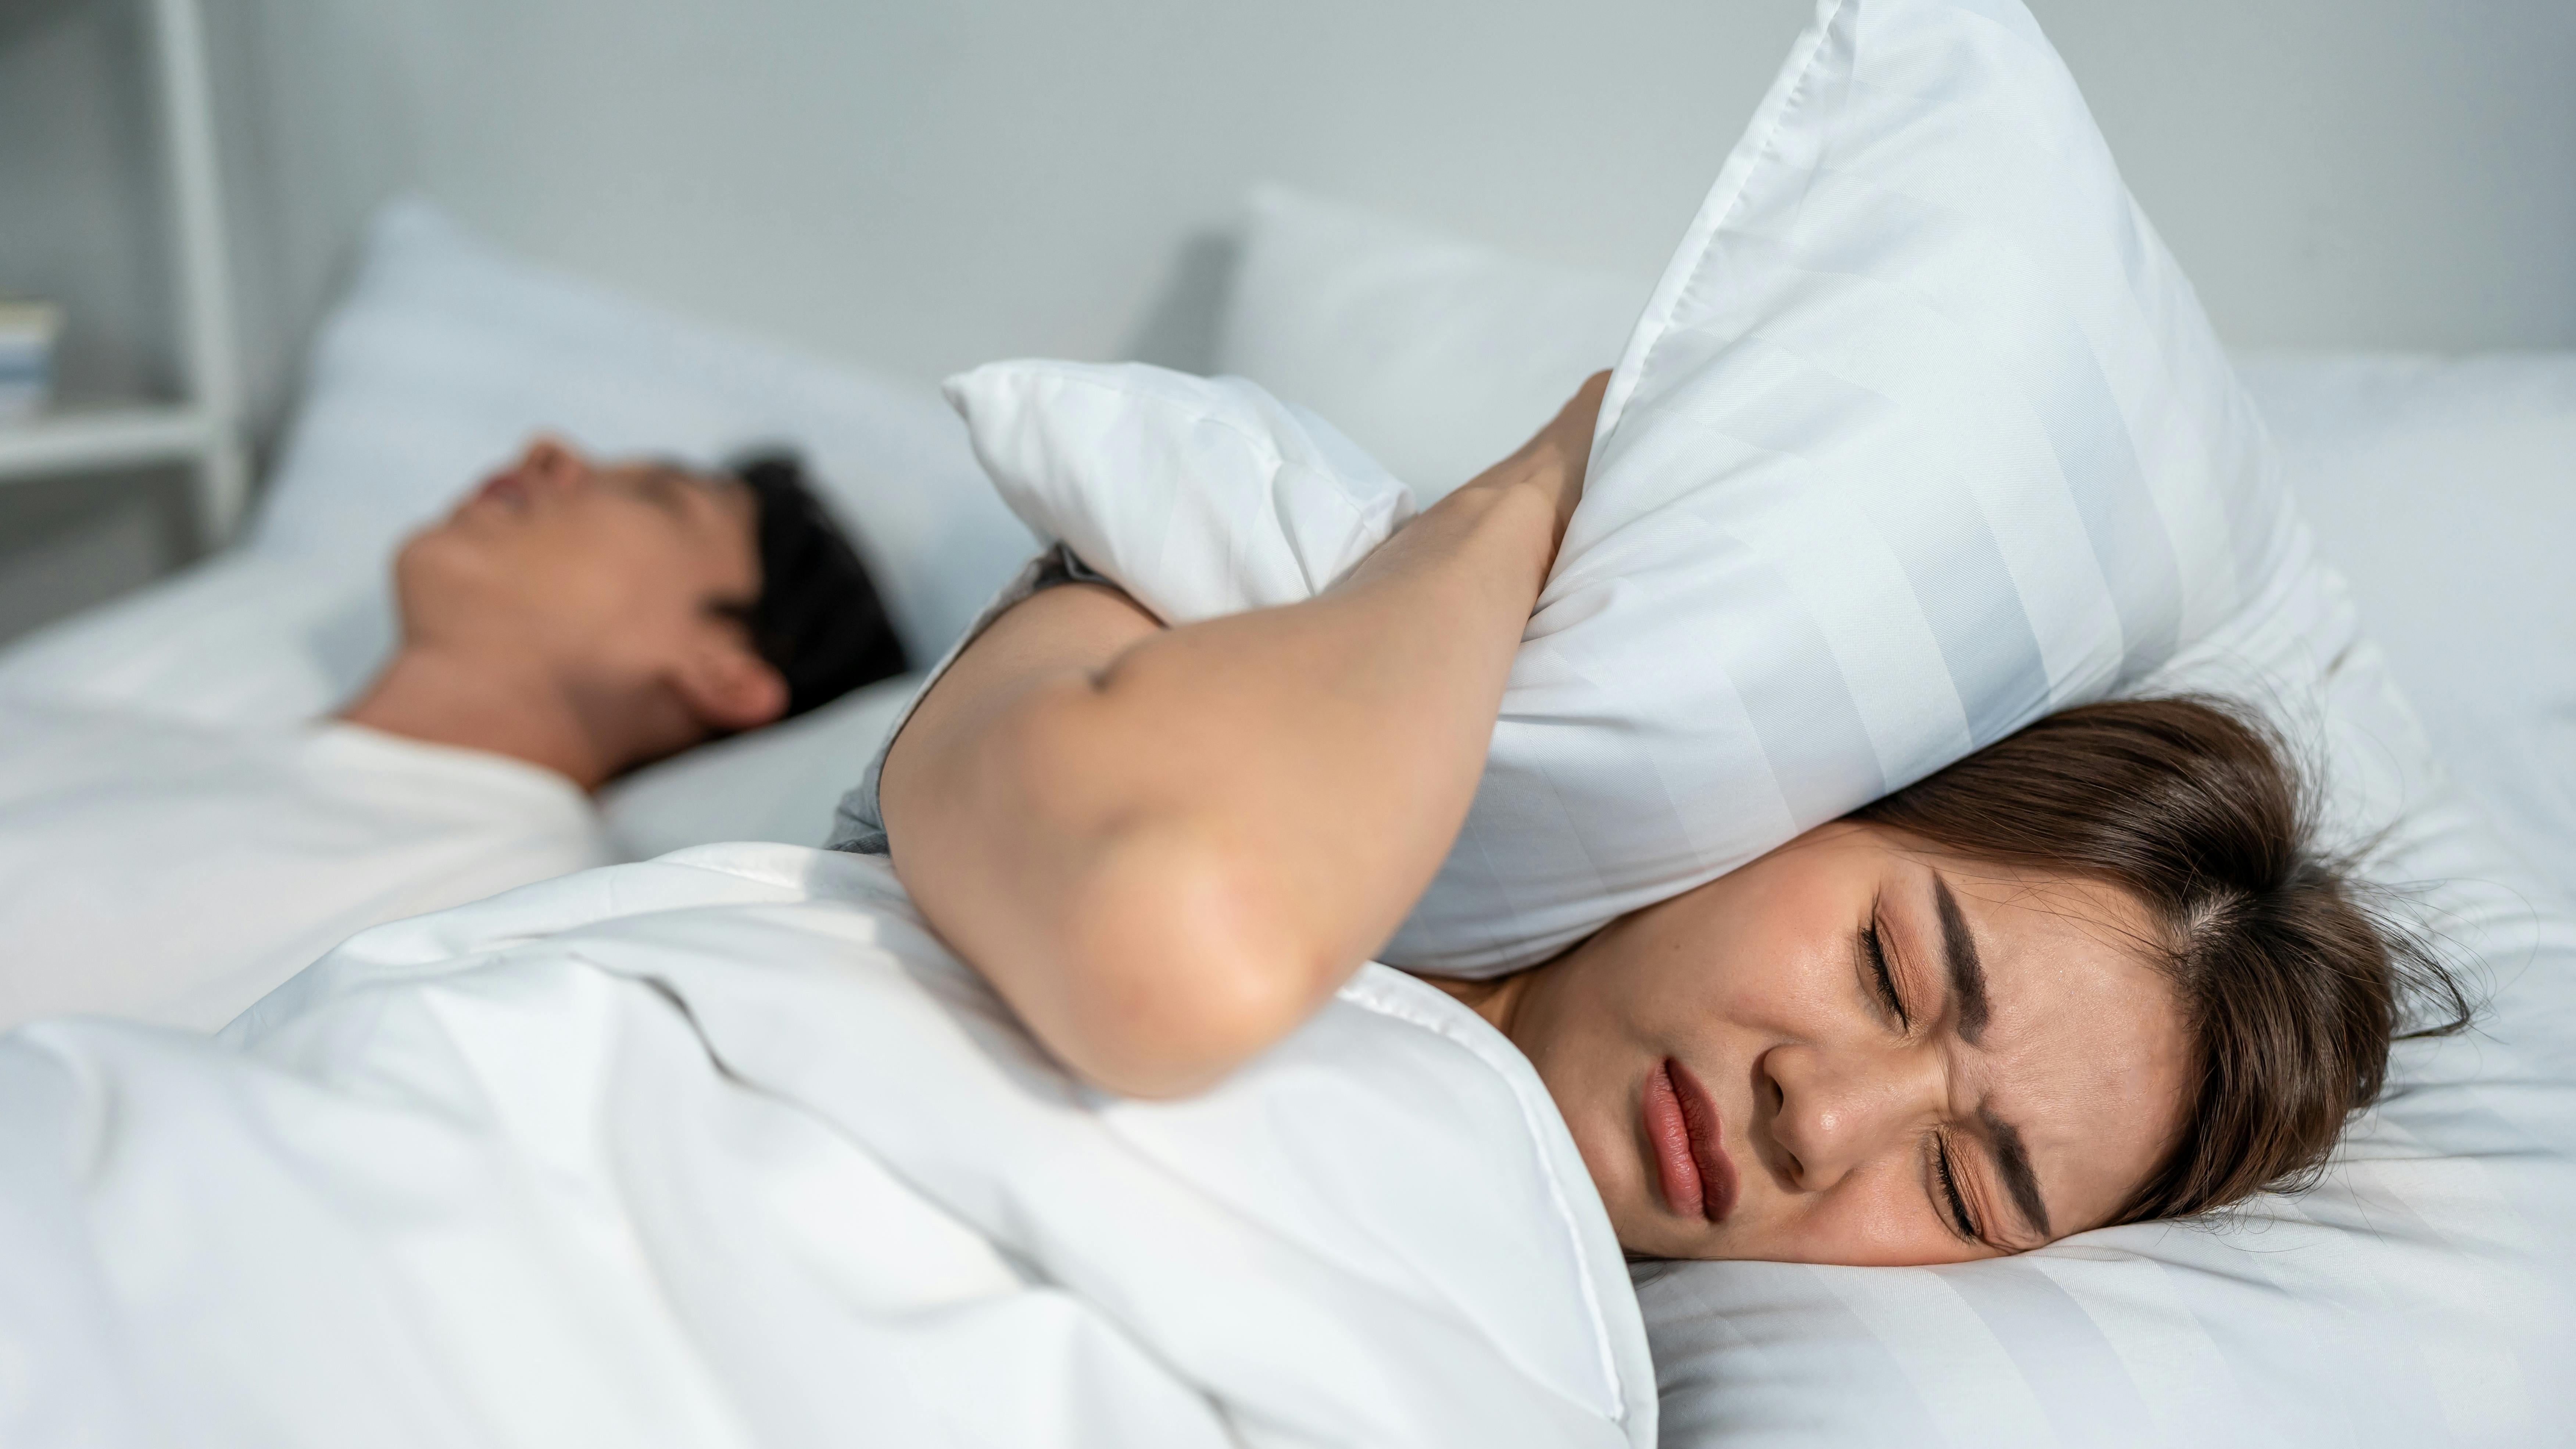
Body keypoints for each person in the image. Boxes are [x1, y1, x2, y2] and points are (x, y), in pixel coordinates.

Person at [862, 375, 2470, 1267]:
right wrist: (1539, 489)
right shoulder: (1201, 619)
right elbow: (1166, 941)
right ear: (1812, 788)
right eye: (1892, 971)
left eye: (1966, 1189)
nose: (1819, 1123)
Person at [0, 439, 904, 1033]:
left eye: (653, 495)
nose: (548, 451)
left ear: (726, 674)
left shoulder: (510, 924)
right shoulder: (80, 725)